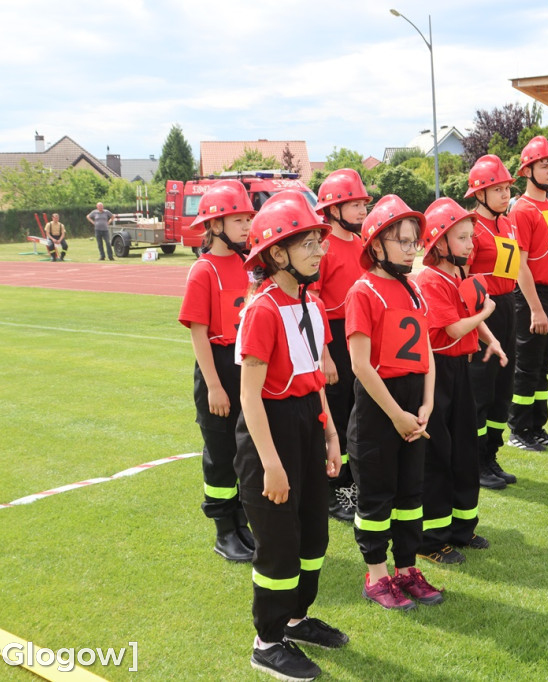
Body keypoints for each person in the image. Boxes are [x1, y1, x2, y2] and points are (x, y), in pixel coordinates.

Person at [235, 190, 347, 680]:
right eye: (309, 243)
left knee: (313, 535)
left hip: (307, 423)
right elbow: (250, 397)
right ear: (277, 253)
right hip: (270, 434)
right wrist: (272, 464)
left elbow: (315, 379)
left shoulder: (311, 304)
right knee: (279, 543)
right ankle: (266, 641)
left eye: (320, 242)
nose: (320, 251)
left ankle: (296, 619)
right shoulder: (261, 310)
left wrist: (331, 434)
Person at [345, 194, 443, 610]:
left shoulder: (415, 291)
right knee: (377, 497)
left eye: (413, 241)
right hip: (379, 409)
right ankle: (377, 575)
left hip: (412, 407)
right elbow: (361, 365)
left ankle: (406, 568)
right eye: (402, 240)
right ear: (377, 244)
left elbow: (427, 353)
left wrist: (426, 406)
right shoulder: (363, 292)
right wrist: (398, 415)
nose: (410, 248)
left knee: (410, 494)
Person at [415, 198, 506, 565]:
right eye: (463, 238)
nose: (472, 244)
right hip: (436, 373)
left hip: (460, 371)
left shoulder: (459, 275)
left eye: (471, 237)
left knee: (465, 447)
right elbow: (452, 328)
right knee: (438, 454)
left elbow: (469, 316)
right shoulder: (430, 279)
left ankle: (462, 527)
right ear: (439, 244)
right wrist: (486, 313)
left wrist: (491, 338)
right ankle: (432, 539)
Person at [177, 181, 257, 563]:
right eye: (238, 219)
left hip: (247, 365)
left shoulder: (251, 265)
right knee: (221, 454)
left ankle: (242, 522)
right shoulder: (203, 270)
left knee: (246, 451)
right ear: (215, 224)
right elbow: (198, 332)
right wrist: (213, 386)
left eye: (247, 219)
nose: (246, 226)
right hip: (219, 367)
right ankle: (224, 530)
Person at [311, 169, 371, 523]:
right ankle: (334, 491)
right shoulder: (323, 247)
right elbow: (314, 301)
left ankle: (349, 483)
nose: (363, 210)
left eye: (364, 203)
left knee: (354, 414)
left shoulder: (360, 242)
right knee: (332, 415)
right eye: (354, 204)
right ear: (333, 209)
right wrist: (324, 354)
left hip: (355, 334)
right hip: (332, 335)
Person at [507, 136, 548, 452]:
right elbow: (521, 264)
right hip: (533, 298)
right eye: (543, 164)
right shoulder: (522, 209)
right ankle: (518, 428)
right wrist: (535, 308)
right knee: (527, 365)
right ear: (527, 170)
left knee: (544, 364)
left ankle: (537, 425)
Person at [465, 154, 520, 490]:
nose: (504, 194)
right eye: (496, 188)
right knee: (481, 388)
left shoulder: (507, 223)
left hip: (508, 305)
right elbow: (461, 276)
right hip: (483, 309)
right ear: (480, 193)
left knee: (504, 386)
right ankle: (475, 460)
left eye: (506, 188)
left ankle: (491, 455)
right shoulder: (470, 227)